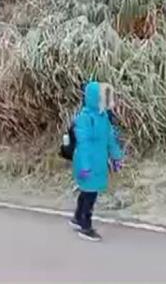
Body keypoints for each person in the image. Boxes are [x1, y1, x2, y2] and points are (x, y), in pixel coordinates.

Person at [69, 81, 124, 242]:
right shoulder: (84, 119)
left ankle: (77, 218)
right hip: (87, 162)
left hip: (98, 161)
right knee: (90, 194)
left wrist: (116, 157)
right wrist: (85, 166)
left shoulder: (103, 117)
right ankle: (85, 226)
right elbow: (83, 145)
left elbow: (110, 139)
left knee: (88, 192)